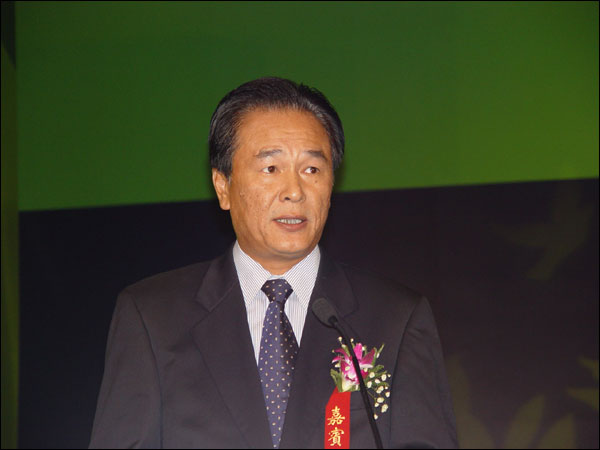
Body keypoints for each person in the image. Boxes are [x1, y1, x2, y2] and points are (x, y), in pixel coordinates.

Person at [89, 77, 458, 448]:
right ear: (223, 186)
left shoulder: (396, 319)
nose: (294, 191)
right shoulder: (153, 317)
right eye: (271, 168)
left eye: (312, 170)